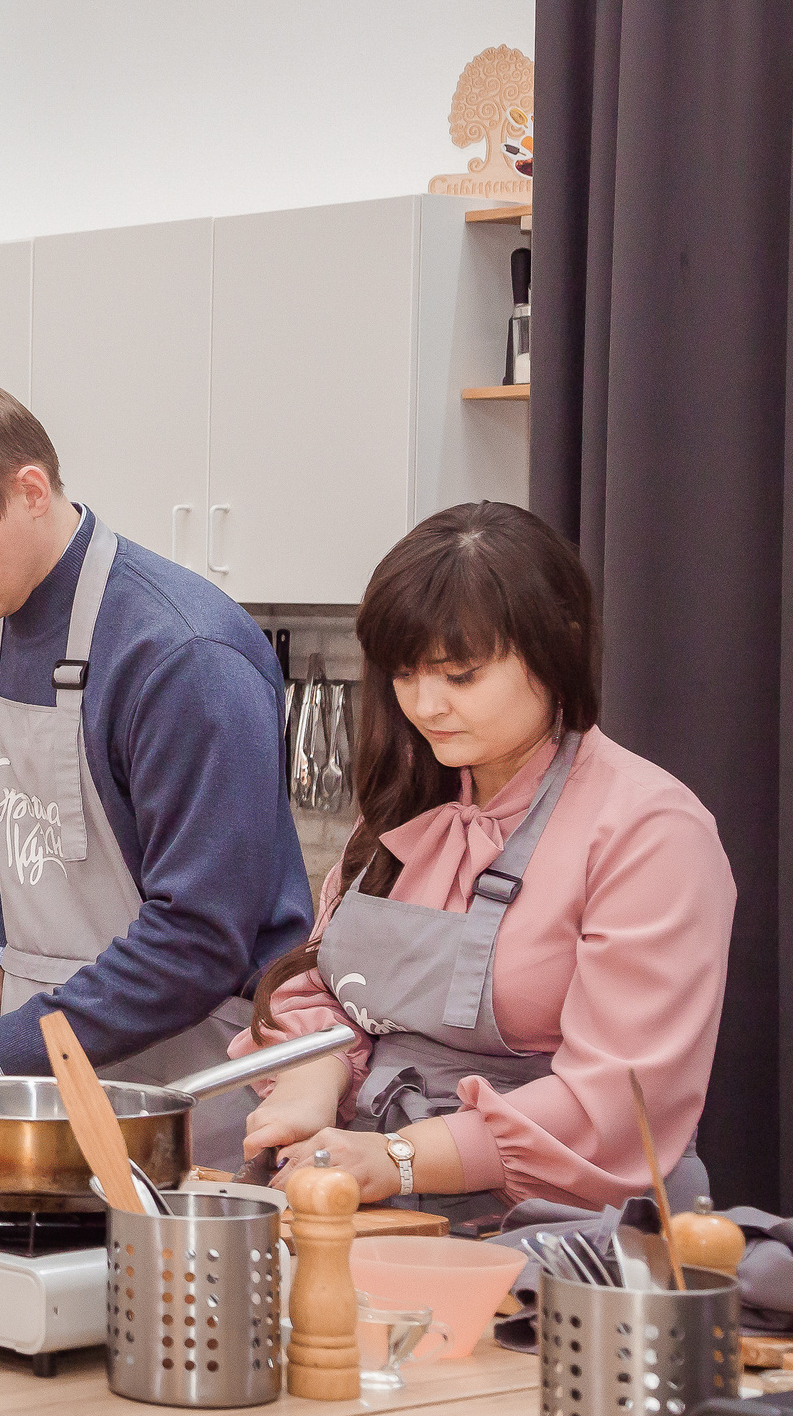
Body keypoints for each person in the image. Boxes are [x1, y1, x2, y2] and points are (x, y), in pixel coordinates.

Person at [0, 376, 312, 1168]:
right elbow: (16, 849)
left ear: (29, 491)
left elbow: (197, 940)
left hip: (191, 1089)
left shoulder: (184, 656)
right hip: (52, 1078)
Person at [233, 503, 732, 1219]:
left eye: (460, 676)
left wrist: (401, 1157)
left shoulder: (650, 829)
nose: (425, 704)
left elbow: (618, 1099)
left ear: (556, 647)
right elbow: (325, 985)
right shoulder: (400, 812)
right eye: (404, 674)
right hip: (376, 1205)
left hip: (562, 1230)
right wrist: (314, 1076)